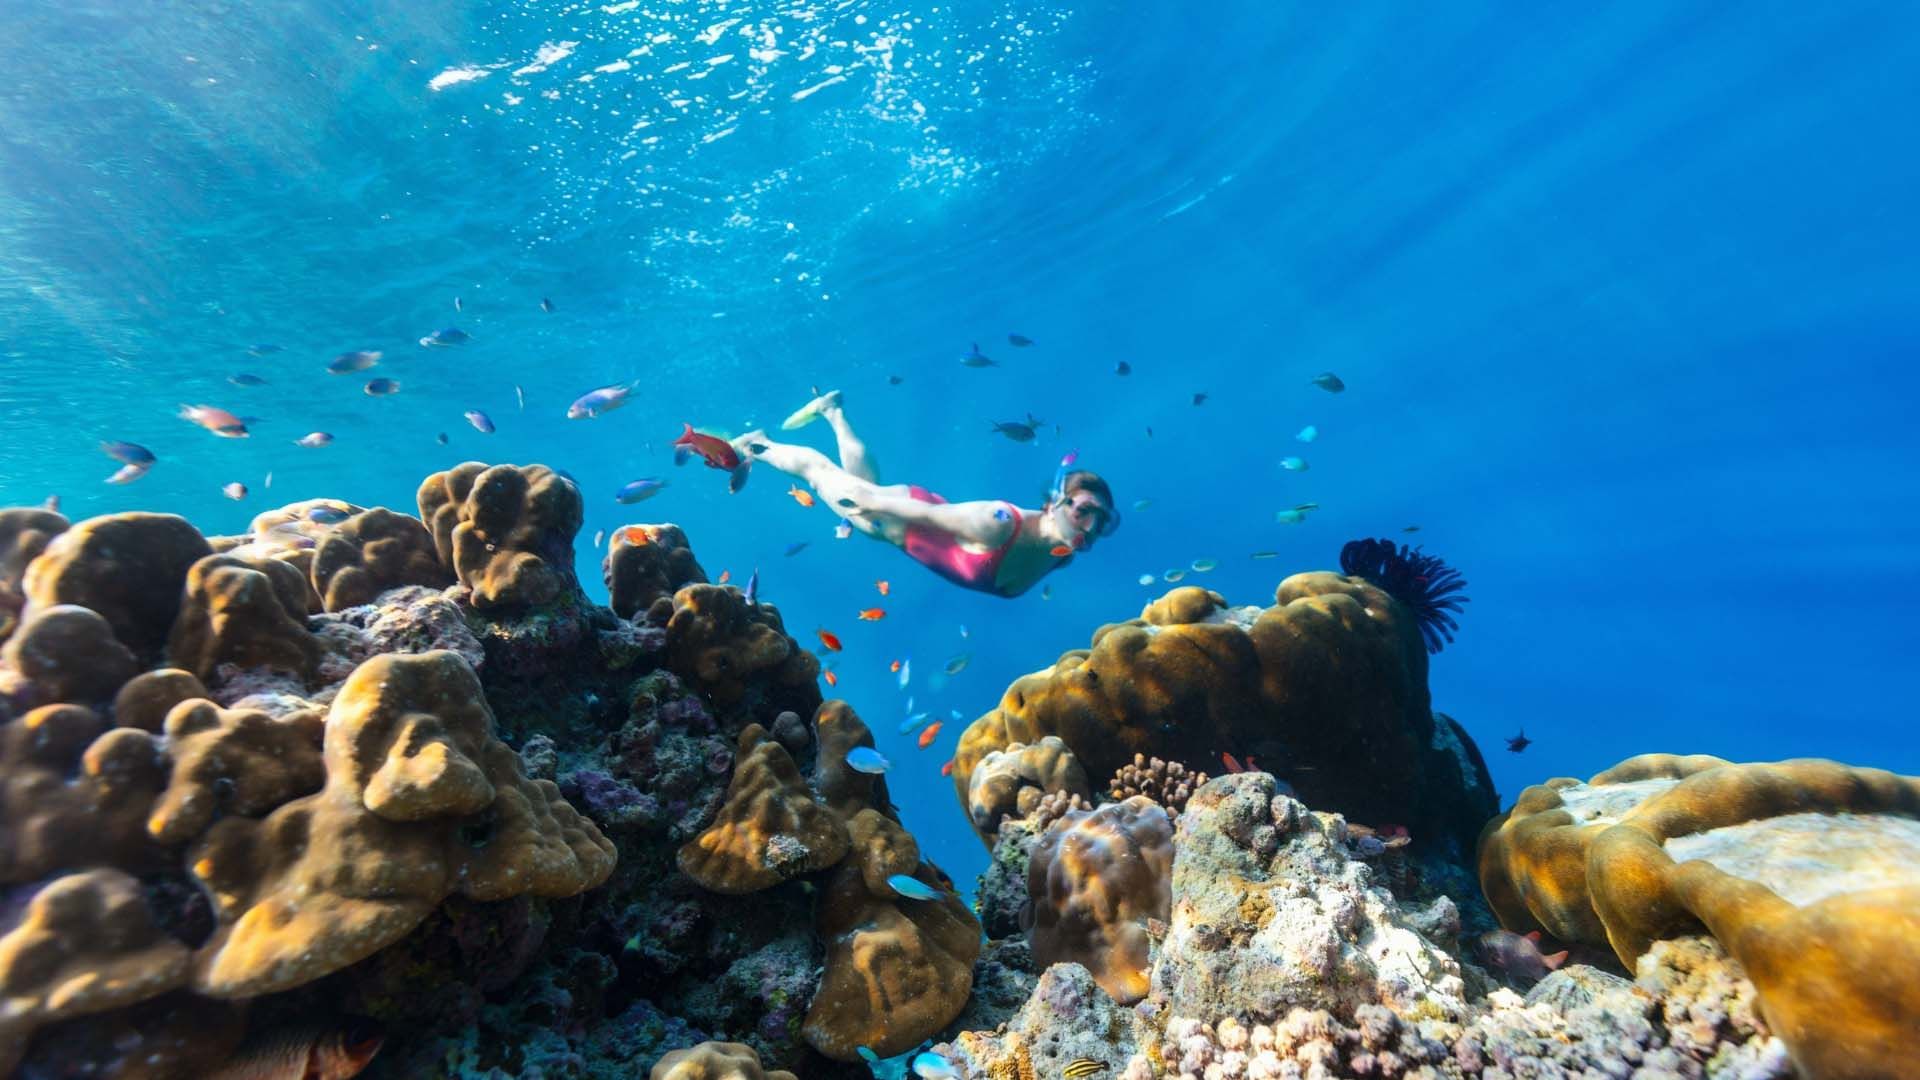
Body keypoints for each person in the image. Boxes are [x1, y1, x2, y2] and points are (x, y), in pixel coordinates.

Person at [731, 390, 1119, 598]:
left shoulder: (1059, 558)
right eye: (1086, 510)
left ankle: (832, 411)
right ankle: (757, 445)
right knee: (819, 474)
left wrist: (871, 495)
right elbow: (928, 517)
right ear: (1055, 503)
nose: (1092, 526)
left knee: (865, 480)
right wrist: (868, 504)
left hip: (904, 507)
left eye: (1104, 522)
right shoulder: (997, 523)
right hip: (895, 514)